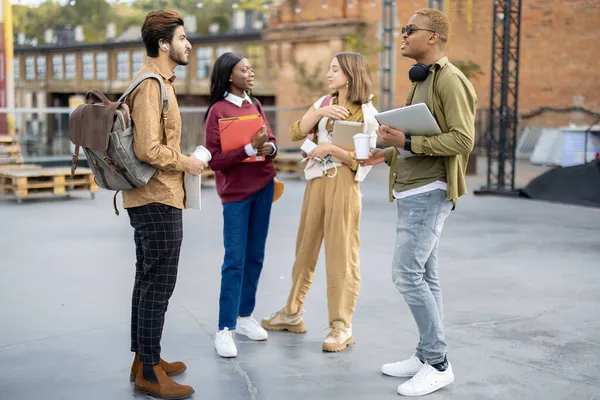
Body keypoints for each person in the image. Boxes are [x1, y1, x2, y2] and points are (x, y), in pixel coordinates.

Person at [358, 8, 477, 397]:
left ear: (434, 38)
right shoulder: (420, 80)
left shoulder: (450, 81)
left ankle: (439, 363)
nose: (402, 35)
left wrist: (405, 142)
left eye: (410, 30)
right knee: (425, 276)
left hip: (430, 190)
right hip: (412, 188)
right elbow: (417, 138)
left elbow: (462, 141)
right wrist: (387, 152)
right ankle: (427, 354)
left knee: (406, 275)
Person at [261, 52, 378, 352]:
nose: (329, 74)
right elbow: (294, 131)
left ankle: (341, 326)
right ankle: (291, 312)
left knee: (341, 255)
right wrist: (319, 115)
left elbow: (367, 160)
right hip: (316, 182)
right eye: (329, 68)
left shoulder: (367, 114)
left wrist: (332, 149)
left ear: (350, 75)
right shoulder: (324, 103)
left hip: (344, 184)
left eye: (335, 69)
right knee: (304, 250)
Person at [124, 9, 205, 400]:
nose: (188, 44)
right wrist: (187, 161)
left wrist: (182, 158)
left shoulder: (161, 82)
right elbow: (146, 148)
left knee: (148, 279)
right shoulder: (151, 84)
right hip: (156, 196)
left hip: (158, 194)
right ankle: (151, 375)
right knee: (159, 283)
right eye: (183, 38)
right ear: (163, 43)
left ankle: (145, 360)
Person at [204, 52, 278, 358]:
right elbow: (214, 160)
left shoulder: (255, 104)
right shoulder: (217, 111)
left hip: (264, 185)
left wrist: (269, 146)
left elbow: (271, 140)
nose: (251, 73)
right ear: (229, 75)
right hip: (236, 193)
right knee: (234, 259)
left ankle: (245, 317)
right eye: (244, 69)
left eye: (251, 68)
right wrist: (249, 147)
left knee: (255, 256)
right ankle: (225, 328)